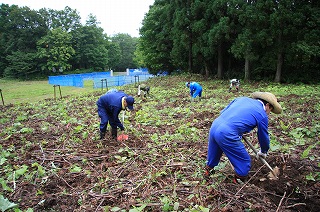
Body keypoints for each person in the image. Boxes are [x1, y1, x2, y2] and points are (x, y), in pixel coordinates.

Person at [204, 92, 282, 183]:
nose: (269, 113)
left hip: (215, 125)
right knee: (244, 162)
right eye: (270, 110)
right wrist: (264, 151)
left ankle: (207, 176)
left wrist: (239, 129)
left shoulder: (241, 99)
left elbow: (224, 112)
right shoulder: (262, 114)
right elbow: (263, 136)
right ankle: (236, 185)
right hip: (227, 133)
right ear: (268, 105)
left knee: (214, 154)